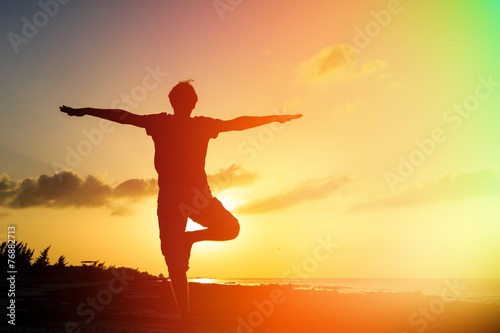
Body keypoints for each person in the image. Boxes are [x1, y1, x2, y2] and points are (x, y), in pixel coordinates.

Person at [59, 79, 302, 325]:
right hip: (194, 196)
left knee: (178, 260)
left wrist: (87, 111)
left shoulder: (162, 122)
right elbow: (237, 124)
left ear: (173, 102)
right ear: (193, 103)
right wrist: (273, 118)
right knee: (223, 234)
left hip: (176, 196)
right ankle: (186, 310)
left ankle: (186, 304)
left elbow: (124, 116)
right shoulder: (199, 124)